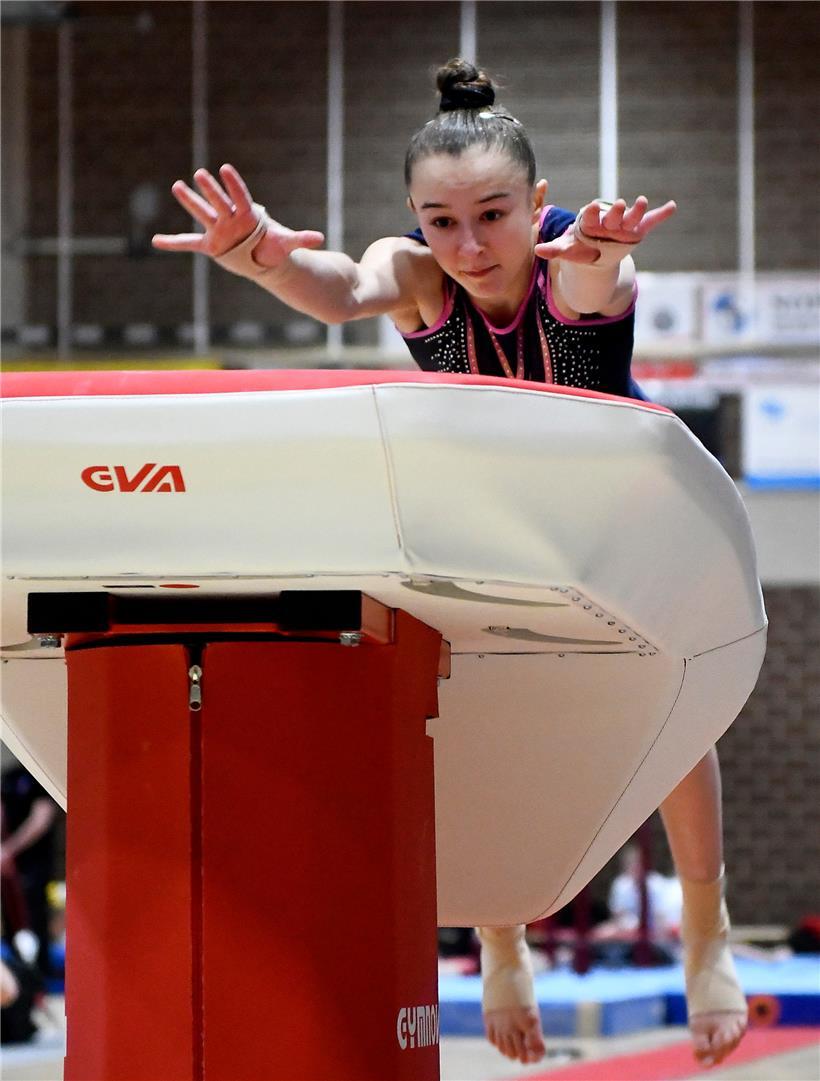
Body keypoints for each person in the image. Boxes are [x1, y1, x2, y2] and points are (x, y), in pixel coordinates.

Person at [153, 57, 749, 1070]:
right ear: (414, 220)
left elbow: (596, 283)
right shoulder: (416, 273)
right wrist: (257, 253)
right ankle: (498, 936)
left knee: (676, 712)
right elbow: (342, 291)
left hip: (613, 512)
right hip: (497, 517)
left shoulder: (576, 257)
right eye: (441, 221)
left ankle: (707, 930)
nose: (469, 245)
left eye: (494, 215)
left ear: (537, 202)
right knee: (465, 718)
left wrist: (601, 255)